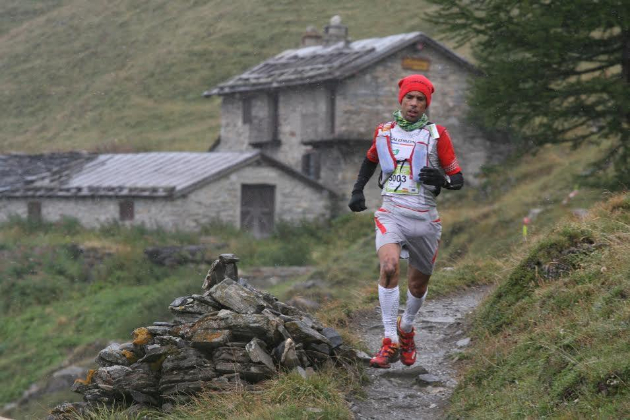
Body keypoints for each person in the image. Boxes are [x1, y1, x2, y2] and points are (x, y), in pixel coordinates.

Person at [348, 74, 464, 368]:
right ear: (400, 100)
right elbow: (371, 159)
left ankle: (407, 328)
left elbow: (458, 179)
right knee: (388, 267)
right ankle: (389, 340)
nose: (413, 104)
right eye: (409, 98)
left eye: (420, 100)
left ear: (427, 104)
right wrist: (357, 190)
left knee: (417, 286)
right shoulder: (384, 131)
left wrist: (443, 180)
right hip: (391, 212)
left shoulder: (437, 135)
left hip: (424, 218)